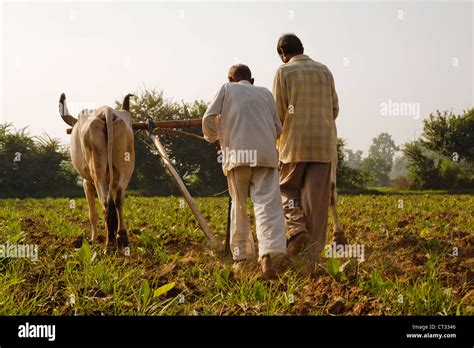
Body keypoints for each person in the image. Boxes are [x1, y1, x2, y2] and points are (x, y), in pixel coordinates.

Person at [202, 64, 286, 279]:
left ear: (231, 79)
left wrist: (215, 139)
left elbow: (208, 119)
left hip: (238, 156)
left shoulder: (227, 89)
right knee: (267, 206)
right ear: (252, 79)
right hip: (265, 156)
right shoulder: (265, 93)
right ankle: (267, 255)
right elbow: (277, 128)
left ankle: (241, 257)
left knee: (239, 205)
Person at [273, 34, 339, 262]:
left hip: (294, 145)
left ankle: (297, 229)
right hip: (323, 146)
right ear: (302, 48)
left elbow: (278, 113)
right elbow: (334, 109)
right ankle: (310, 258)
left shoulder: (284, 72)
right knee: (316, 205)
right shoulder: (324, 71)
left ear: (283, 54)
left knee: (285, 189)